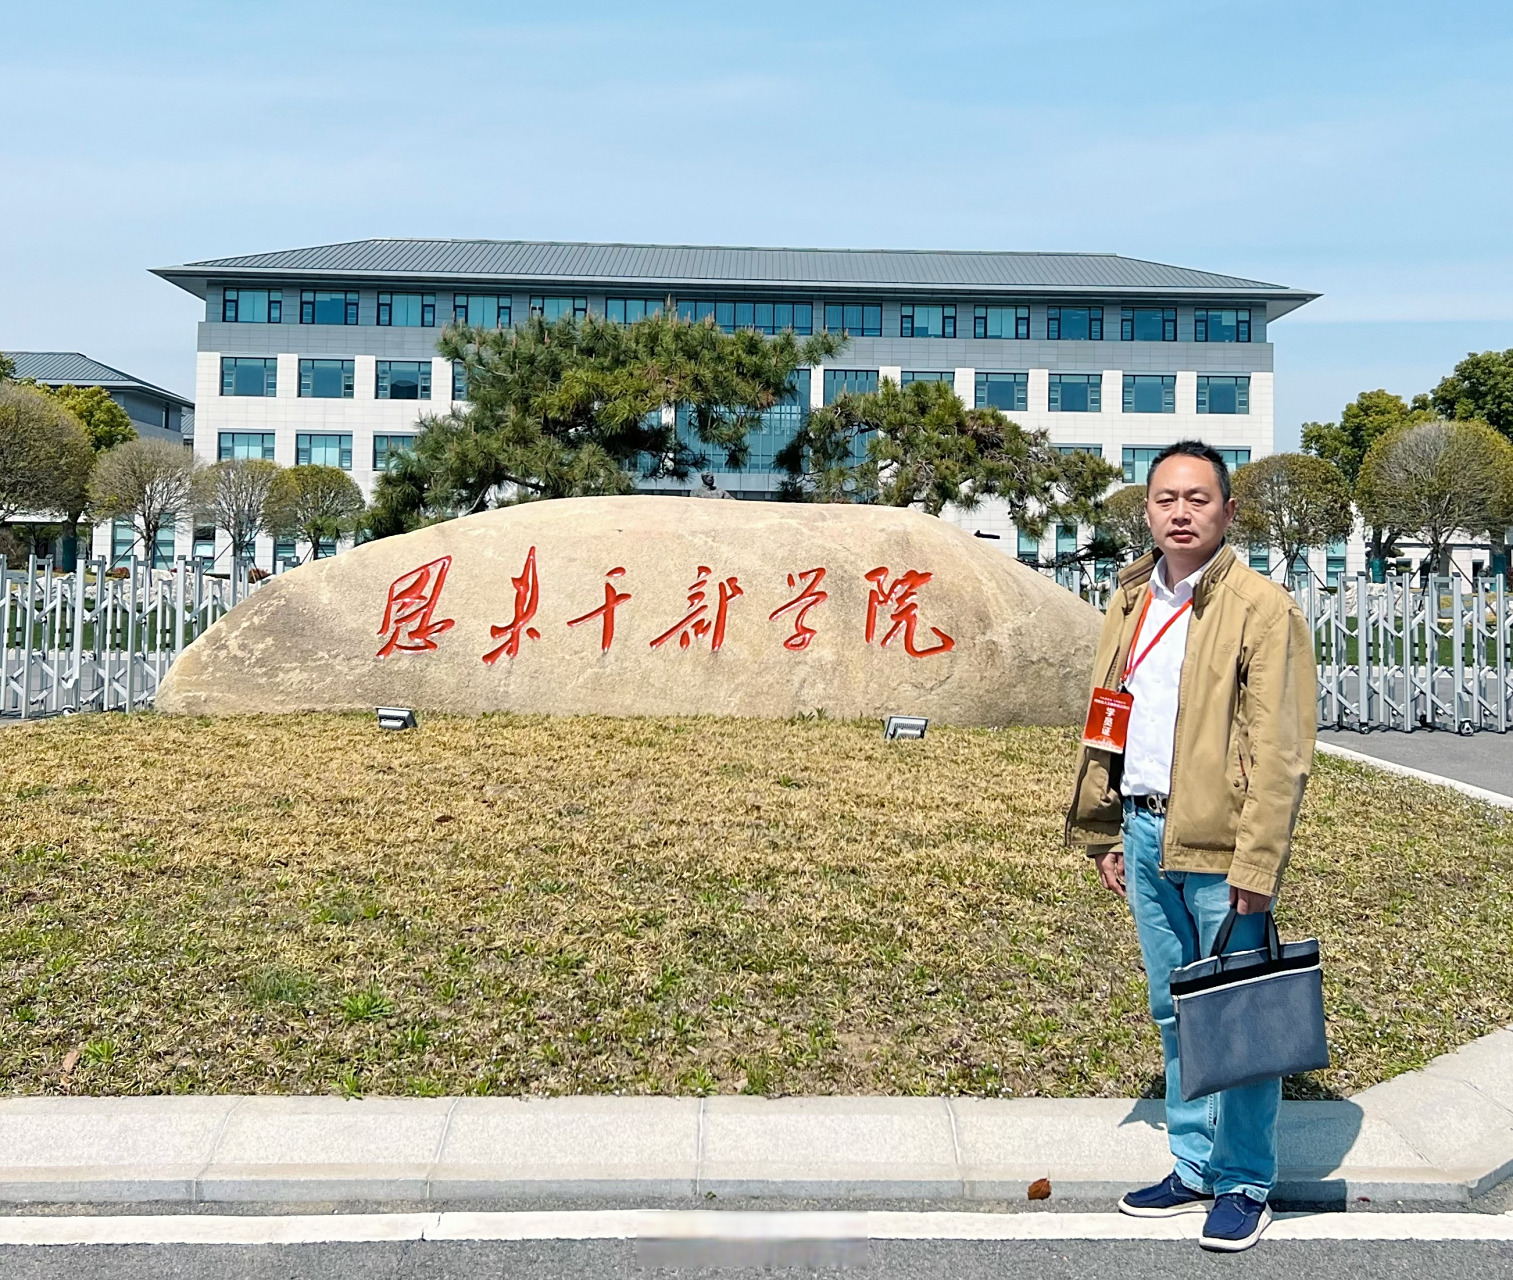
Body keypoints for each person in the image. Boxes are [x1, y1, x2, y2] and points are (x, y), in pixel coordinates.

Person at [1065, 440, 1316, 1254]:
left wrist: (1257, 864)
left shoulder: (1260, 607)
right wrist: (1107, 825)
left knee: (1236, 1019)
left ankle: (1244, 1181)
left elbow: (1280, 751)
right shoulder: (1131, 597)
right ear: (1146, 509)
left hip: (1218, 843)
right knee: (1175, 1012)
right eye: (1165, 498)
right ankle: (1195, 1164)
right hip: (1143, 829)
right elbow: (1110, 710)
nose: (1180, 512)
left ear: (1227, 511)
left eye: (1197, 498)